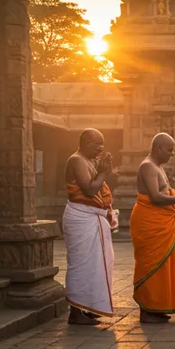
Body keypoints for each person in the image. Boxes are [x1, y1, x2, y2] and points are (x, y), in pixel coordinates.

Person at [132, 133, 175, 323]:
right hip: (150, 222)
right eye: (169, 150)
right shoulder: (148, 166)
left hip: (160, 221)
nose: (172, 154)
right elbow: (155, 198)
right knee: (151, 265)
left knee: (163, 267)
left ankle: (157, 307)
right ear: (158, 148)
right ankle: (147, 309)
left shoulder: (157, 166)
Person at [62, 129, 117, 324]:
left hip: (93, 216)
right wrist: (103, 172)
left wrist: (105, 170)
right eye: (97, 143)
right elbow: (89, 189)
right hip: (81, 217)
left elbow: (99, 187)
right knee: (81, 265)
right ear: (85, 143)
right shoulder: (76, 160)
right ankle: (76, 312)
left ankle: (90, 306)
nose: (101, 147)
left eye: (103, 143)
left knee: (97, 265)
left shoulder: (91, 161)